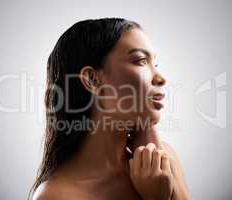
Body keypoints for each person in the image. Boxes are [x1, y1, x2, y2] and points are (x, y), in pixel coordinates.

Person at [30, 17, 193, 200]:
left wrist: (150, 135)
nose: (161, 78)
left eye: (155, 64)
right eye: (140, 61)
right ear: (92, 79)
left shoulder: (165, 158)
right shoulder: (57, 195)